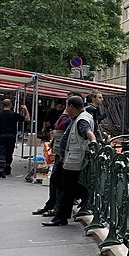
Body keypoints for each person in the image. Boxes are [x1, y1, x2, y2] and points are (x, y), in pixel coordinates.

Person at [43, 95, 95, 227]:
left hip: (74, 159)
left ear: (71, 106)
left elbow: (87, 132)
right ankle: (82, 194)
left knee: (66, 187)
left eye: (67, 106)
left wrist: (93, 142)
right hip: (69, 157)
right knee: (59, 181)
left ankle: (62, 216)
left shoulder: (82, 119)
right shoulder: (81, 117)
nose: (66, 109)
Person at [0, 99, 30, 178]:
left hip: (0, 136)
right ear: (11, 105)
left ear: (2, 105)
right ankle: (7, 167)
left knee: (0, 152)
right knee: (9, 153)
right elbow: (27, 119)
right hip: (11, 136)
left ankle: (1, 168)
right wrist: (25, 109)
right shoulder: (14, 115)